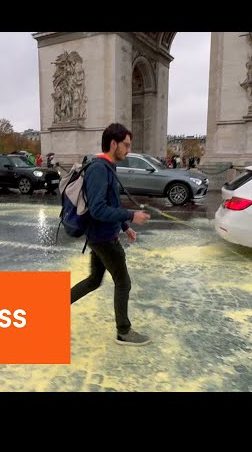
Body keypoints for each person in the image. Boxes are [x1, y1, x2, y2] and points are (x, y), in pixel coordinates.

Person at [70, 123, 152, 346]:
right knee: (123, 282)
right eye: (125, 145)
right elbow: (97, 209)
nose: (128, 150)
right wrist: (131, 215)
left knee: (94, 280)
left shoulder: (108, 166)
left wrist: (125, 226)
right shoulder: (99, 168)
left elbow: (111, 203)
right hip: (103, 238)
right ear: (113, 143)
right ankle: (123, 332)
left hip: (102, 235)